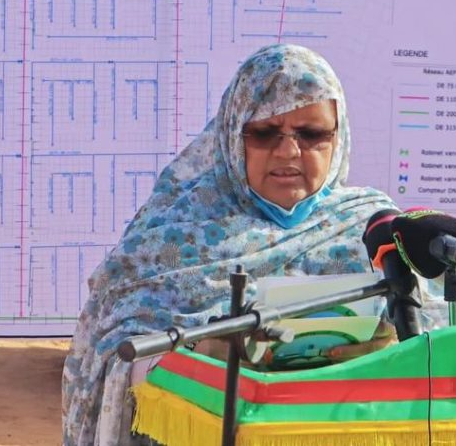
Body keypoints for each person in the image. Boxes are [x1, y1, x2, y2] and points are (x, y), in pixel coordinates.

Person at [61, 44, 412, 446]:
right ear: (232, 135)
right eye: (264, 133)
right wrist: (203, 355)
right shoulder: (174, 237)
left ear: (338, 136)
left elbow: (437, 341)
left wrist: (391, 351)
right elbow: (112, 360)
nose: (288, 151)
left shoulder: (372, 227)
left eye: (312, 134)